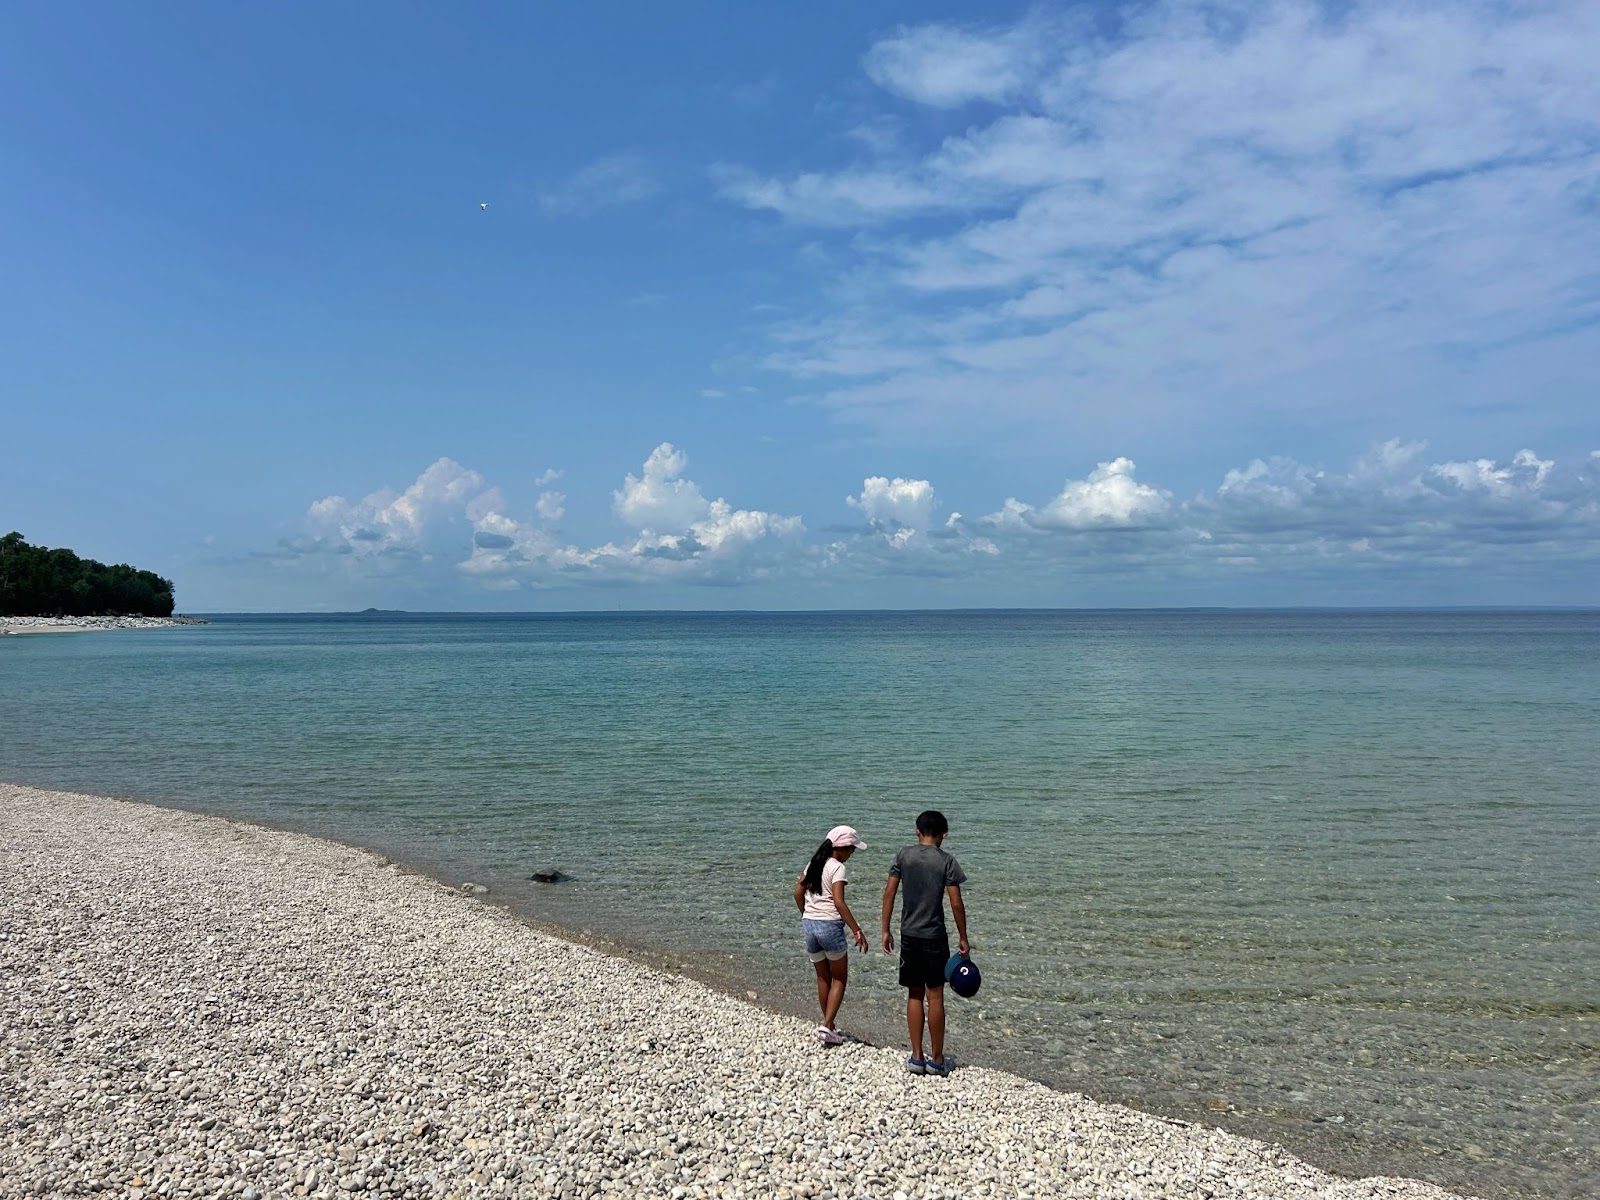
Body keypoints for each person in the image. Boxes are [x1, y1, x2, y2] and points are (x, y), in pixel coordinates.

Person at [880, 809, 968, 1076]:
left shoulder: (903, 856)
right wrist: (963, 936)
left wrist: (885, 929)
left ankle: (916, 1057)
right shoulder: (947, 861)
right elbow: (955, 902)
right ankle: (937, 1059)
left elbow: (889, 893)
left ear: (916, 831)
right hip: (934, 936)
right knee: (936, 995)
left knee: (914, 994)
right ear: (944, 834)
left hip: (909, 935)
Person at [793, 824, 871, 1045]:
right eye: (851, 849)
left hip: (809, 925)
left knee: (822, 977)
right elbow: (838, 902)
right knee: (839, 978)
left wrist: (806, 914)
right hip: (829, 926)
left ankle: (829, 1023)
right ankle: (827, 1026)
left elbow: (797, 892)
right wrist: (857, 930)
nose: (852, 853)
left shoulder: (813, 864)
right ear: (840, 848)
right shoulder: (837, 867)